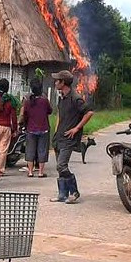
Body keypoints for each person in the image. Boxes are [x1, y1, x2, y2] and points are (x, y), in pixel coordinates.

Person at [50, 70, 93, 204]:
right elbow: (60, 116)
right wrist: (56, 132)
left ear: (63, 83)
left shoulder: (75, 98)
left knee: (62, 166)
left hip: (69, 138)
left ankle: (74, 192)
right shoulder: (62, 97)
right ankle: (62, 194)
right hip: (59, 137)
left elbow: (89, 112)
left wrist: (77, 128)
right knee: (59, 166)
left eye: (57, 80)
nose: (55, 82)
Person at [21, 77, 53, 178]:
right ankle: (40, 172)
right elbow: (50, 111)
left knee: (30, 150)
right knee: (42, 150)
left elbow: (24, 114)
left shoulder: (27, 101)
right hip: (43, 129)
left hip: (31, 129)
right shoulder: (44, 101)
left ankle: (30, 172)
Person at [0, 78, 19, 177]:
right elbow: (13, 117)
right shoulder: (11, 100)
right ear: (7, 88)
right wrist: (14, 129)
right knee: (3, 149)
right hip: (5, 127)